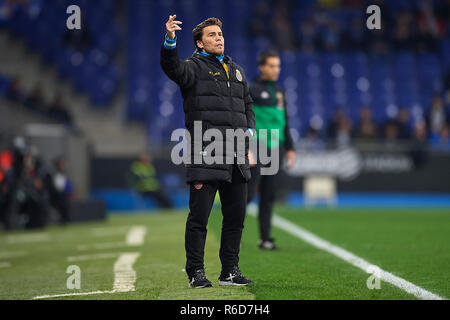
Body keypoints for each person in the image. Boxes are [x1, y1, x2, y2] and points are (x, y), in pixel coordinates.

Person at [160, 15, 255, 288]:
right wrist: (169, 41)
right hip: (206, 153)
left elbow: (247, 102)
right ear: (200, 43)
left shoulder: (236, 70)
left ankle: (229, 271)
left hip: (237, 154)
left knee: (235, 218)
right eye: (212, 35)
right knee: (199, 218)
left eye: (220, 34)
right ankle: (196, 273)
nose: (219, 38)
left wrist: (249, 129)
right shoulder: (192, 67)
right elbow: (171, 67)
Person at [247, 50, 296, 250]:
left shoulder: (280, 92)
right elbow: (244, 119)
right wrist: (245, 147)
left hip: (276, 148)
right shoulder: (251, 89)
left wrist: (290, 148)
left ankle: (265, 239)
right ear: (261, 67)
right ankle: (233, 238)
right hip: (256, 146)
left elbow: (285, 121)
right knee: (247, 195)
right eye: (271, 66)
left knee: (268, 195)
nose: (276, 70)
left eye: (278, 66)